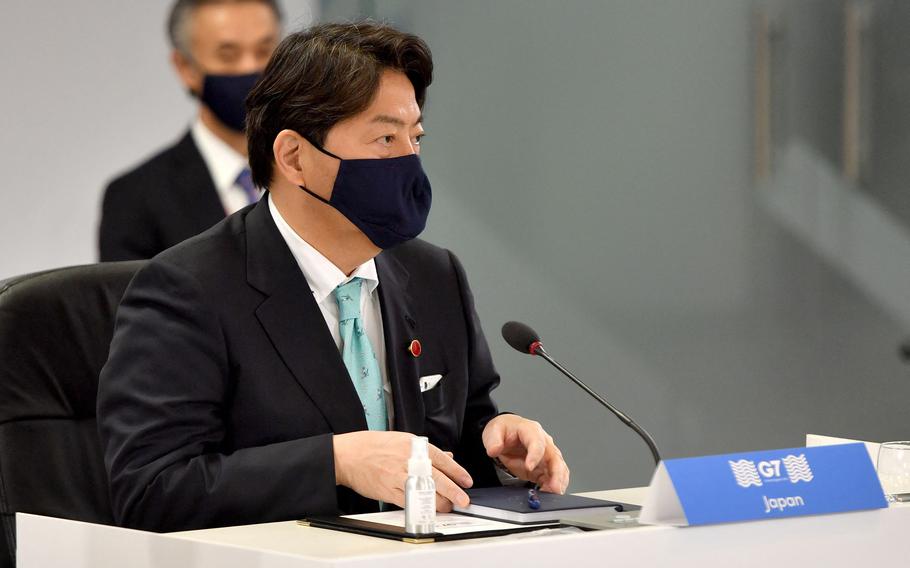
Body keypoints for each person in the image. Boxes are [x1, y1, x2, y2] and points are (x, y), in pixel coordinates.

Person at [97, 22, 570, 532]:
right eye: (386, 138)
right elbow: (150, 490)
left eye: (415, 137)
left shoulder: (434, 275)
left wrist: (498, 444)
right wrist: (335, 461)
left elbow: (461, 431)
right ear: (294, 157)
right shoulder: (186, 289)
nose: (410, 162)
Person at [97, 0, 282, 261]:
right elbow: (128, 299)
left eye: (264, 51)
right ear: (186, 67)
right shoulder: (136, 198)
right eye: (227, 55)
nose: (249, 69)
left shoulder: (318, 170)